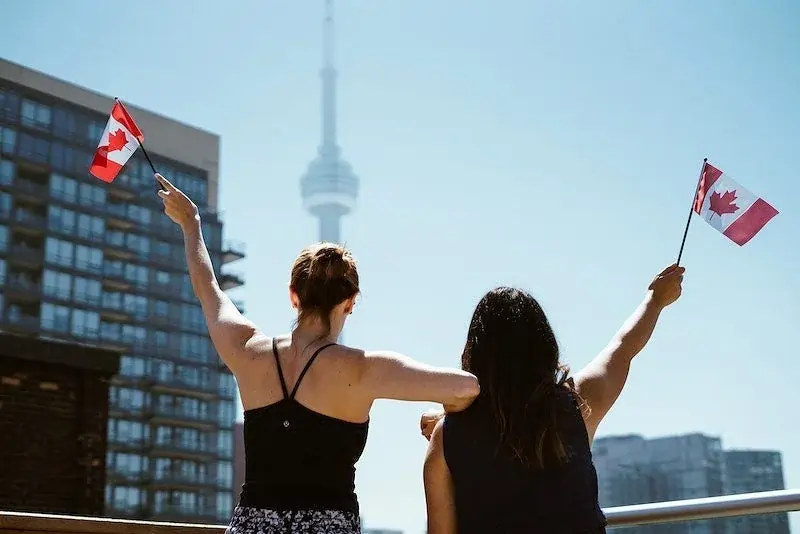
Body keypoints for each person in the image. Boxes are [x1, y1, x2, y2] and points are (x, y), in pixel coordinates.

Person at [155, 173, 480, 534]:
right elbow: (466, 387)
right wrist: (442, 418)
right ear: (351, 302)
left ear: (293, 295)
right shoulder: (363, 370)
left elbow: (209, 290)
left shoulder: (248, 352)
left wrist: (191, 224)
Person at [421, 264, 685, 534]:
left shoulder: (447, 437)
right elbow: (623, 348)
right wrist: (655, 300)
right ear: (545, 347)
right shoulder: (578, 405)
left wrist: (450, 427)